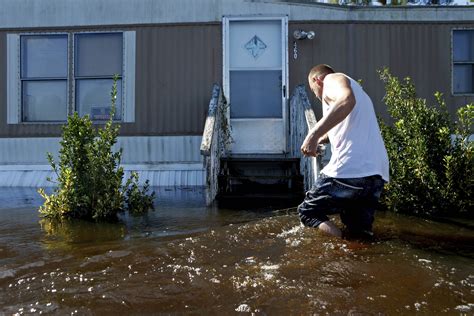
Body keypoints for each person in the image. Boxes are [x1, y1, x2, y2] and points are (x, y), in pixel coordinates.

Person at [298, 64, 389, 238]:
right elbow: (342, 126)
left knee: (308, 213)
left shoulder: (333, 79)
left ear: (317, 80)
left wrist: (313, 135)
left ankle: (338, 248)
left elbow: (347, 100)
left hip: (350, 169)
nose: (316, 96)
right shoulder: (360, 92)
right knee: (358, 233)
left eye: (313, 90)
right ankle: (353, 255)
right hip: (376, 173)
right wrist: (322, 139)